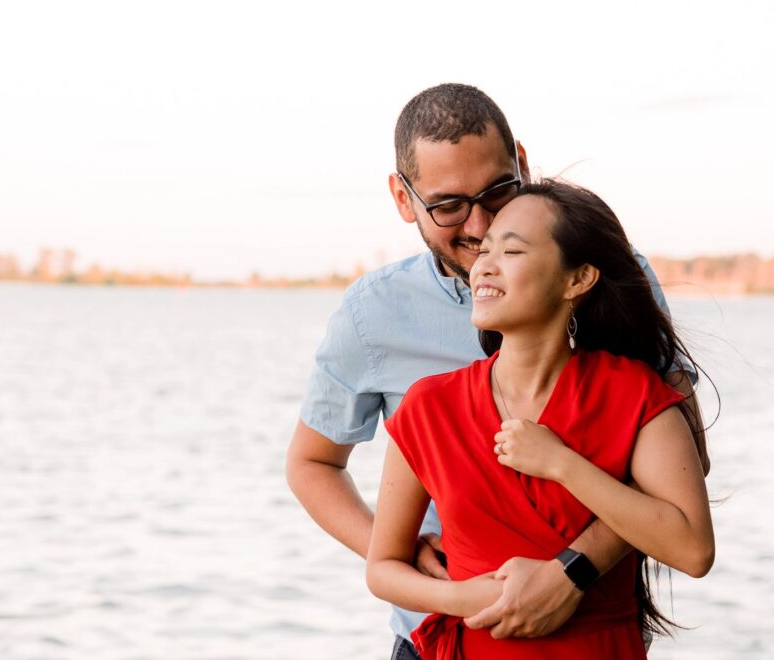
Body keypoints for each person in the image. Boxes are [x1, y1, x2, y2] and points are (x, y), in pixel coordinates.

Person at [285, 84, 707, 659]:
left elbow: (685, 462)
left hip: (592, 632)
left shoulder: (606, 272)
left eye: (499, 191)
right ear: (404, 199)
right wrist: (406, 556)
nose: (481, 226)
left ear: (523, 165)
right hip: (440, 636)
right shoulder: (372, 316)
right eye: (449, 205)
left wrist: (571, 572)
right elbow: (313, 464)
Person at [366, 180, 715, 658]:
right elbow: (382, 566)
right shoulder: (429, 406)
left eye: (511, 251)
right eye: (485, 250)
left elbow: (693, 550)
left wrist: (563, 465)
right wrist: (462, 596)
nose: (484, 265)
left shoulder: (637, 396)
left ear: (577, 279)